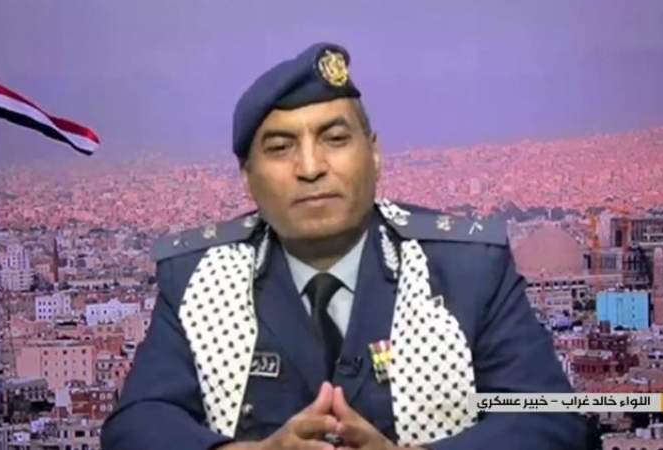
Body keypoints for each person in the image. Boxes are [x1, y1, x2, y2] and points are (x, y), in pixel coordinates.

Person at [101, 42, 586, 450]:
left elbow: (553, 419)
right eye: (280, 147)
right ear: (247, 176)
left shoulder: (467, 270)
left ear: (373, 153)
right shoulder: (199, 280)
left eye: (334, 138)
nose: (311, 168)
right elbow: (137, 425)